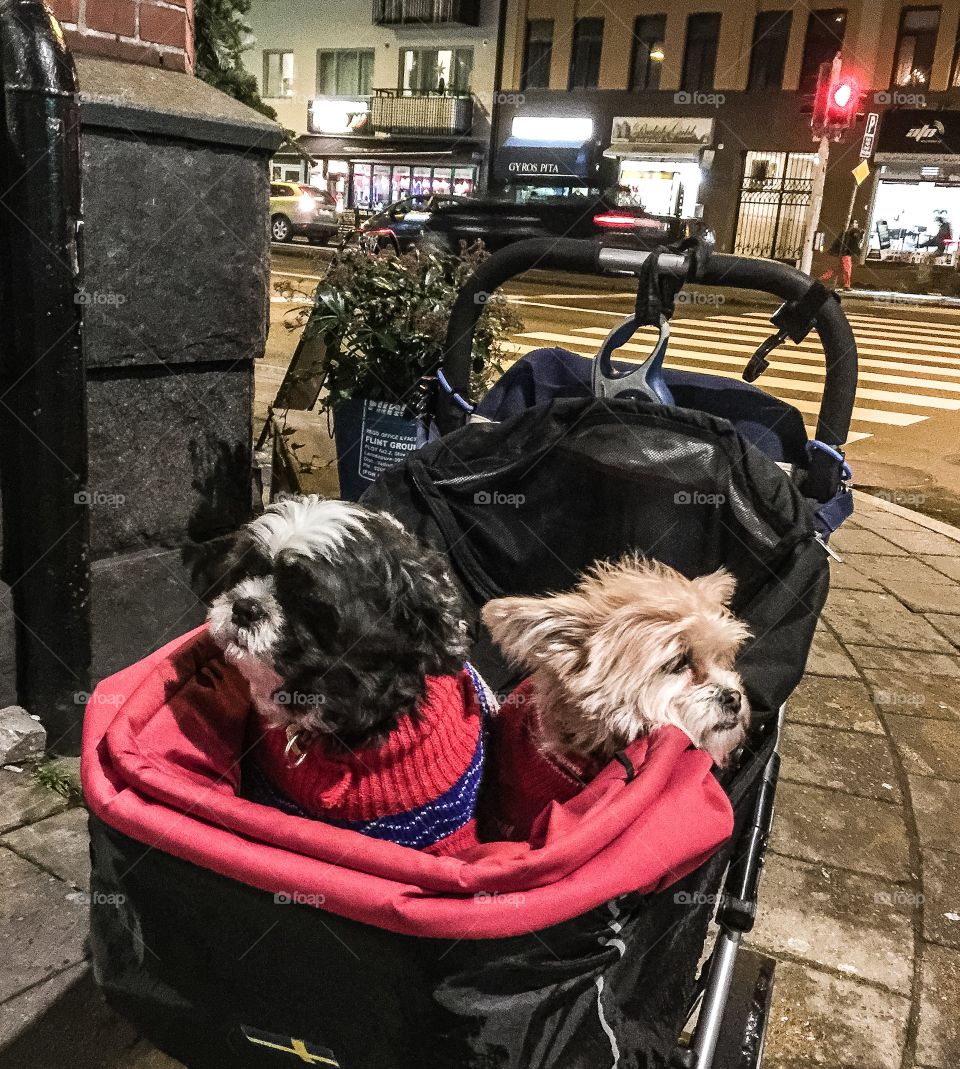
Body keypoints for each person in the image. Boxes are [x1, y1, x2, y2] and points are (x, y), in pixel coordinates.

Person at [820, 220, 864, 290]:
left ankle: (821, 279)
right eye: (855, 223)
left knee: (837, 270)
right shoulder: (849, 233)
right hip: (845, 254)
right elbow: (853, 244)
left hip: (843, 253)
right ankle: (846, 285)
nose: (856, 225)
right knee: (847, 269)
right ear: (851, 224)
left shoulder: (846, 233)